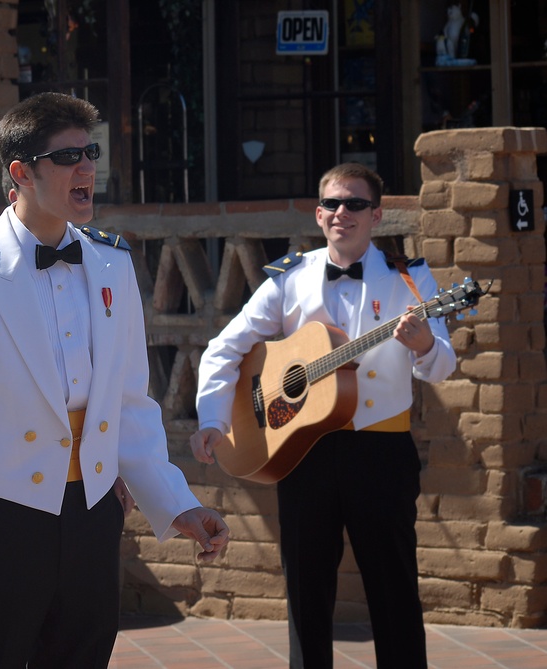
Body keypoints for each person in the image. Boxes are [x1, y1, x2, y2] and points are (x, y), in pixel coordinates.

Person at [0, 91, 229, 668]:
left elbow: (131, 403)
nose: (87, 167)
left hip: (92, 516)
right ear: (20, 173)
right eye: (67, 157)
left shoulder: (113, 261)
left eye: (90, 152)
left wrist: (174, 501)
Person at [191, 162, 457, 669]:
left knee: (394, 587)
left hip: (381, 450)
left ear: (377, 215)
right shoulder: (290, 277)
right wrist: (213, 418)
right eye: (333, 204)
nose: (343, 213)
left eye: (355, 203)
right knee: (305, 589)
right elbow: (225, 348)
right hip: (304, 451)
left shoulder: (412, 276)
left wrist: (424, 346)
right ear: (318, 214)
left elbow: (442, 367)